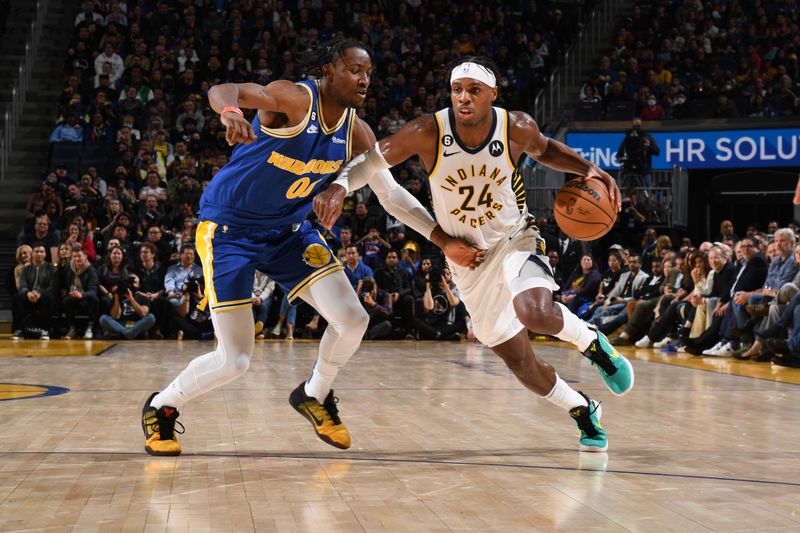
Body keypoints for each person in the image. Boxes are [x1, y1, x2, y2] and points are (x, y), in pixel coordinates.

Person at [141, 40, 483, 456]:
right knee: (235, 360)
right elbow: (226, 89)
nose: (364, 79)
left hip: (288, 232)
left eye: (369, 73)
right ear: (328, 70)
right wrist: (231, 113)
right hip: (230, 231)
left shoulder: (357, 131)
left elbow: (390, 196)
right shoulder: (295, 99)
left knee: (353, 319)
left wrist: (444, 241)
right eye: (355, 69)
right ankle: (162, 406)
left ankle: (314, 393)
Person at [316, 56, 634, 452]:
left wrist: (589, 169)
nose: (463, 98)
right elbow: (371, 162)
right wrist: (340, 187)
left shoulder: (514, 126)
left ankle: (593, 344)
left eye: (474, 91)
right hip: (467, 259)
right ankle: (583, 409)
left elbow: (545, 149)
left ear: (492, 95)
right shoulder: (427, 131)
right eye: (457, 90)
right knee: (521, 364)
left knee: (534, 311)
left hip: (514, 238)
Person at [12, 243, 58, 340]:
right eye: (36, 251)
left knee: (49, 297)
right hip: (30, 295)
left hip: (43, 296)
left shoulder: (52, 268)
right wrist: (28, 293)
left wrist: (40, 294)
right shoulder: (26, 269)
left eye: (41, 251)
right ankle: (19, 330)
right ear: (32, 253)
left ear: (45, 254)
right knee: (17, 298)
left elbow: (52, 286)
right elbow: (22, 285)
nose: (39, 254)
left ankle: (45, 330)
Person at [98, 273, 157, 340]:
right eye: (129, 282)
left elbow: (143, 313)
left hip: (136, 324)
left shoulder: (143, 297)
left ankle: (122, 335)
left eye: (134, 282)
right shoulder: (119, 295)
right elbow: (115, 316)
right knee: (103, 318)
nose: (131, 284)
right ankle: (129, 334)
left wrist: (131, 298)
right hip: (119, 324)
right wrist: (116, 296)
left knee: (151, 317)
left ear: (139, 285)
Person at [61, 245, 99, 340]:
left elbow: (93, 291)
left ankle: (90, 327)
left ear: (85, 256)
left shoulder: (91, 270)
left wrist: (81, 294)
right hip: (72, 295)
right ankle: (72, 328)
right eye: (74, 256)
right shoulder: (68, 267)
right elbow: (63, 281)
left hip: (85, 297)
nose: (77, 259)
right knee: (66, 301)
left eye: (79, 256)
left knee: (94, 299)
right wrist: (63, 289)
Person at [615, 117, 659, 188]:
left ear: (641, 126)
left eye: (638, 126)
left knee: (648, 188)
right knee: (627, 188)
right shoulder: (628, 138)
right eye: (634, 126)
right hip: (630, 168)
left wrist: (648, 146)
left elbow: (657, 152)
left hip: (644, 168)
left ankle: (648, 198)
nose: (636, 128)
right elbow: (619, 153)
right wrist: (619, 158)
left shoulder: (647, 137)